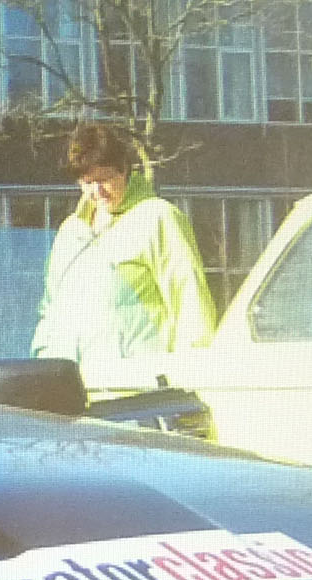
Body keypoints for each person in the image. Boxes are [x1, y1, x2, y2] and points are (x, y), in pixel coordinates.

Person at [30, 120, 215, 389]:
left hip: (137, 394)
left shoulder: (158, 218)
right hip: (74, 395)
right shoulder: (70, 232)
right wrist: (43, 368)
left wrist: (191, 383)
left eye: (106, 179)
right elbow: (50, 311)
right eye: (87, 182)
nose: (97, 191)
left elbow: (190, 303)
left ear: (125, 169)